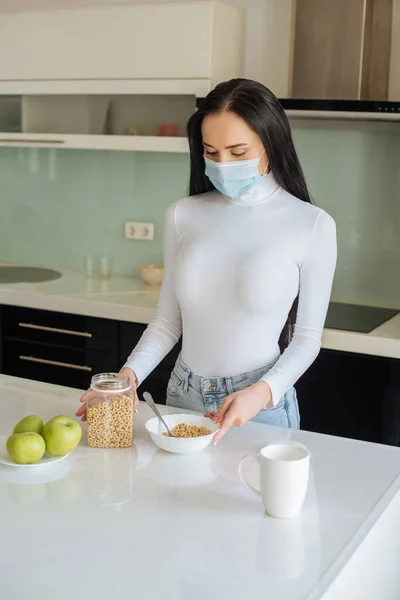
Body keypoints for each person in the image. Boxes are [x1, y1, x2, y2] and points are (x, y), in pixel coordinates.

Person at [77, 78, 337, 444]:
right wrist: (125, 379)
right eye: (211, 152)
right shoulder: (183, 215)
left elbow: (308, 339)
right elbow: (168, 322)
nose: (223, 164)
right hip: (181, 396)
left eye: (238, 151)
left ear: (271, 144)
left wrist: (260, 393)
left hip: (260, 405)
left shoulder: (312, 225)